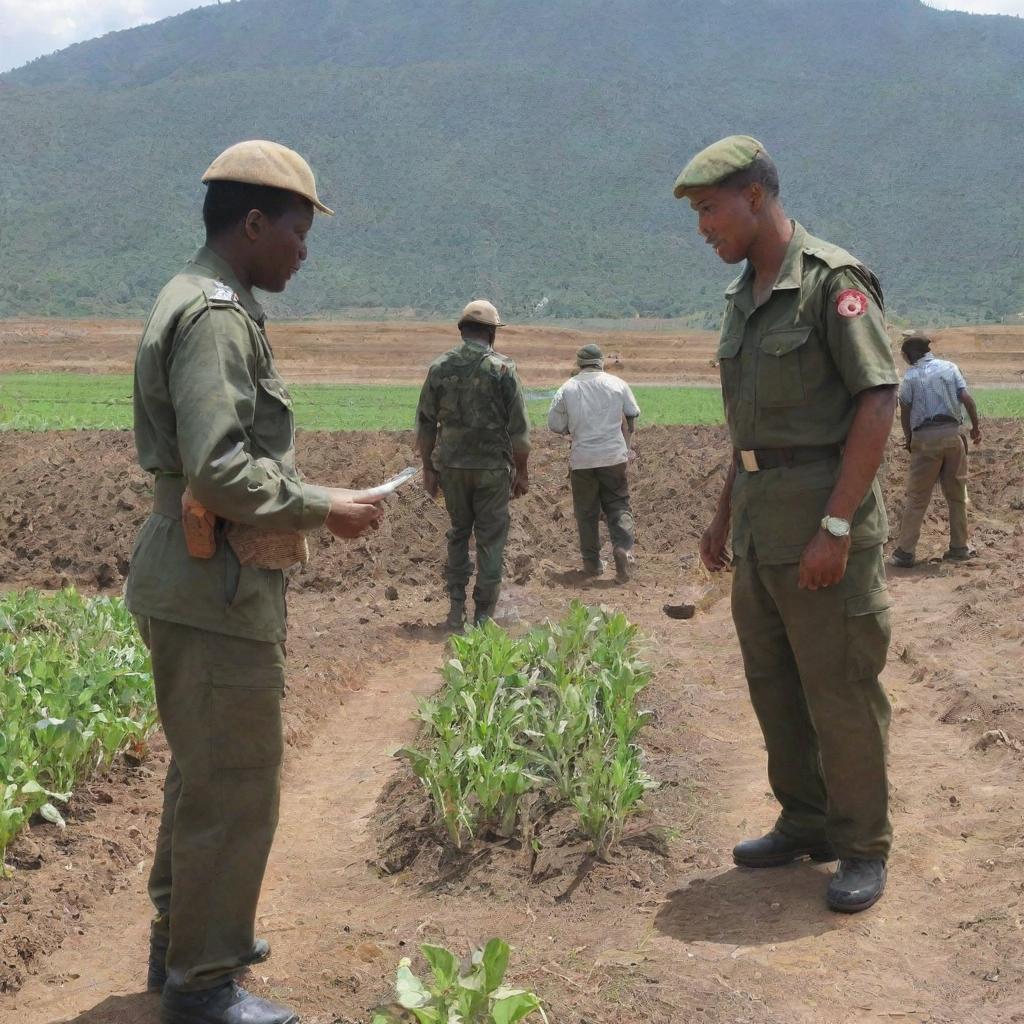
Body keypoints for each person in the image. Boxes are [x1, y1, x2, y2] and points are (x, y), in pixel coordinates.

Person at [126, 139, 385, 1024]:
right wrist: (324, 505)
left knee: (204, 773)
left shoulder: (208, 300)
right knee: (234, 779)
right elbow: (218, 468)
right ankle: (204, 984)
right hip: (212, 584)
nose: (304, 251)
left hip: (201, 578)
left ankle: (184, 942)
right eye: (298, 232)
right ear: (252, 223)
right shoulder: (214, 315)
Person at [675, 135, 899, 913]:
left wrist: (836, 527)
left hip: (819, 521)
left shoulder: (830, 284)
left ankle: (862, 843)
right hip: (760, 528)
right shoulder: (744, 297)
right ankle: (806, 820)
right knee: (775, 686)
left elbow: (877, 399)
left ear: (757, 198)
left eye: (710, 209)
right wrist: (720, 516)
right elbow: (753, 433)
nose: (703, 226)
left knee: (838, 689)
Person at [415, 300, 530, 629]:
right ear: (492, 333)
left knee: (458, 534)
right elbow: (519, 429)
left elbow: (425, 423)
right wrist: (521, 471)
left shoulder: (440, 368)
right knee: (491, 539)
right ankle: (482, 615)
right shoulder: (503, 369)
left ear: (462, 331)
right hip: (492, 469)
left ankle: (454, 608)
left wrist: (428, 467)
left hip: (451, 467)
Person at [548, 343, 640, 581]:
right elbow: (631, 415)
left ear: (579, 364)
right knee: (618, 504)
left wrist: (573, 428)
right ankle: (623, 550)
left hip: (582, 460)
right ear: (601, 362)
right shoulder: (617, 384)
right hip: (613, 456)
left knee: (586, 511)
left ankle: (592, 564)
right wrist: (626, 447)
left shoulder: (567, 389)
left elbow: (555, 425)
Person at [891, 334, 981, 568]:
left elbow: (906, 412)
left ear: (910, 355)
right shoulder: (950, 368)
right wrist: (975, 429)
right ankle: (959, 547)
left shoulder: (910, 377)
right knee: (956, 496)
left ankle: (905, 552)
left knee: (917, 499)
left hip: (925, 439)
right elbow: (968, 400)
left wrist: (909, 440)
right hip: (952, 435)